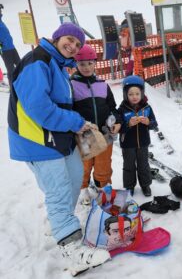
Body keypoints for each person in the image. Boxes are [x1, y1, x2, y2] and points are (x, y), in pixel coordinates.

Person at [7, 22, 110, 276]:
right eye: (69, 40)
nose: (73, 47)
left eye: (77, 44)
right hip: (38, 140)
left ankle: (59, 222)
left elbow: (62, 103)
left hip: (58, 139)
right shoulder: (37, 61)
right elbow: (40, 107)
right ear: (56, 37)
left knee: (76, 179)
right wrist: (75, 122)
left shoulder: (58, 65)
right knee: (60, 190)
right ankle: (72, 249)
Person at [71, 44, 121, 205]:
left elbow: (113, 107)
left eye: (90, 63)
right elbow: (68, 110)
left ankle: (102, 188)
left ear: (95, 63)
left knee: (103, 164)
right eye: (81, 64)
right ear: (76, 64)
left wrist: (115, 119)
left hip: (104, 133)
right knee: (84, 165)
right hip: (84, 135)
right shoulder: (71, 85)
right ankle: (83, 189)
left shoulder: (103, 85)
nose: (86, 67)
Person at [117, 75, 157, 197]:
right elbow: (119, 128)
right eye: (130, 94)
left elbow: (155, 124)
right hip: (127, 144)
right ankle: (129, 186)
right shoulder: (122, 109)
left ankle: (145, 185)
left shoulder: (147, 108)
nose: (134, 97)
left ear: (142, 93)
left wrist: (148, 123)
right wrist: (128, 124)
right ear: (125, 95)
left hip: (143, 143)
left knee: (143, 165)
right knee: (128, 165)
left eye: (137, 94)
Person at [0, 4, 21, 83]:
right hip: (5, 50)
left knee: (20, 65)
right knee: (11, 69)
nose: (1, 12)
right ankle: (12, 87)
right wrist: (1, 48)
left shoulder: (1, 21)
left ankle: (21, 83)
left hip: (11, 47)